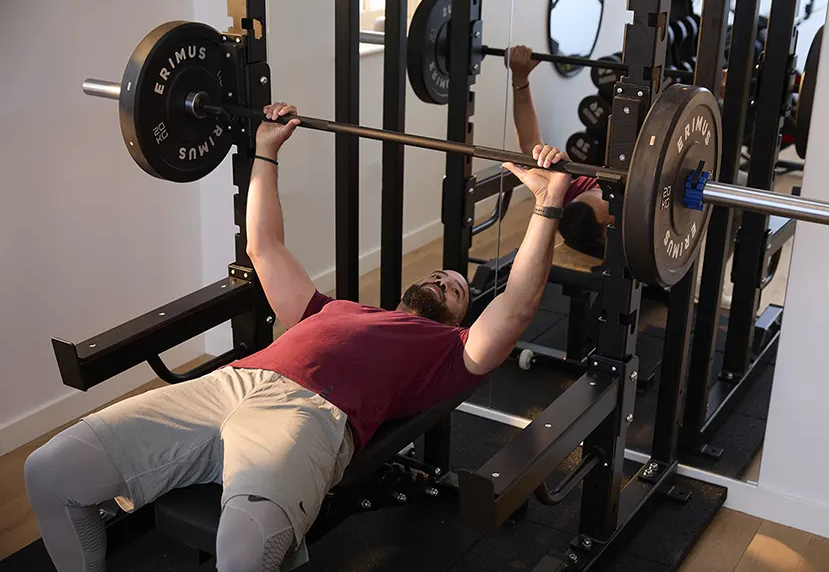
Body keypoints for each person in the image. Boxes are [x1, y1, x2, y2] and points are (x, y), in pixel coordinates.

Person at [24, 102, 573, 572]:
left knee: (242, 551)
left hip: (310, 417)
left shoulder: (449, 354)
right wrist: (266, 151)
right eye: (439, 274)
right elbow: (263, 247)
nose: (441, 278)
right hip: (226, 387)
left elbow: (518, 304)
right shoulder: (329, 309)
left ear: (458, 319)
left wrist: (547, 204)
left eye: (455, 288)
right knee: (49, 471)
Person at [506, 45, 613, 259]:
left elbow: (529, 143)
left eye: (593, 192)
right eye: (603, 198)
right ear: (608, 228)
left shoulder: (561, 194)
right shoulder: (635, 214)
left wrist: (519, 77)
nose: (599, 189)